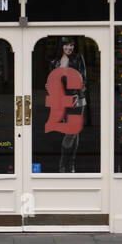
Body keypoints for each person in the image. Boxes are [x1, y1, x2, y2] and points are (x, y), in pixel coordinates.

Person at [49, 37, 88, 172]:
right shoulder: (54, 62)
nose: (69, 48)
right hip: (62, 100)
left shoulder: (78, 58)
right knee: (72, 132)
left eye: (71, 45)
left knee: (72, 131)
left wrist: (78, 90)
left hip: (77, 99)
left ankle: (65, 165)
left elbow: (83, 77)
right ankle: (68, 164)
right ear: (61, 46)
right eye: (66, 45)